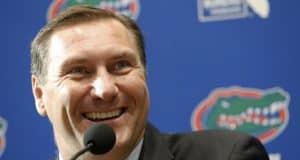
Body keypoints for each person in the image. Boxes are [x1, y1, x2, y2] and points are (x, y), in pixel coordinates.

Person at [30, 6, 269, 160]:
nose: (105, 90)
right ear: (40, 95)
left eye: (121, 66)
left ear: (144, 74)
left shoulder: (227, 155)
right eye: (79, 71)